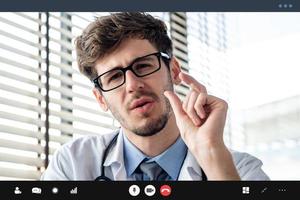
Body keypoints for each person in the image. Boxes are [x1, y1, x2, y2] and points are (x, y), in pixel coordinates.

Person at [41, 12, 269, 181]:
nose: (133, 85)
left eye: (142, 66)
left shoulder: (240, 171)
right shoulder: (72, 164)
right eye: (114, 77)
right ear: (101, 99)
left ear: (174, 70)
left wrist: (210, 151)